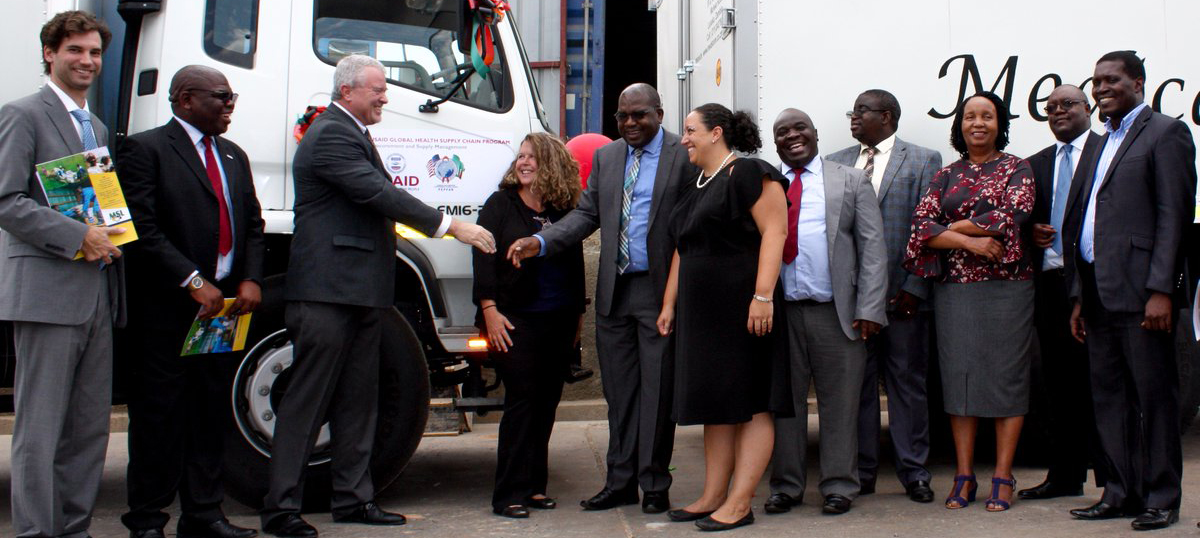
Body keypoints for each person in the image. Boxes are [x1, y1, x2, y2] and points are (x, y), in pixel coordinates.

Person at [260, 54, 496, 537]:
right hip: (327, 295)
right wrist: (453, 227)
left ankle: (353, 499)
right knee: (308, 401)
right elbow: (376, 193)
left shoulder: (352, 133)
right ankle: (281, 508)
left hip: (363, 293)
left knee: (357, 402)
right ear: (347, 92)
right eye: (377, 89)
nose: (386, 96)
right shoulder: (330, 135)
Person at [507, 83, 692, 514]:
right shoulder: (608, 157)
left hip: (659, 292)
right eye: (622, 116)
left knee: (657, 394)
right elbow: (586, 214)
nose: (630, 123)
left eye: (639, 115)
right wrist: (542, 241)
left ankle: (655, 483)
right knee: (620, 395)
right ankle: (620, 482)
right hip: (615, 293)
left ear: (659, 114)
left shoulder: (681, 155)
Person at [116, 65, 265, 538]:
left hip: (221, 313)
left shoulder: (234, 156)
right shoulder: (146, 149)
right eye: (220, 96)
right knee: (159, 417)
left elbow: (254, 225)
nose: (229, 104)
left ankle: (204, 515)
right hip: (166, 310)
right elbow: (139, 227)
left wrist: (251, 279)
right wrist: (191, 279)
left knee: (209, 414)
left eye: (232, 96)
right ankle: (147, 521)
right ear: (184, 99)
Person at [0, 11, 127, 538]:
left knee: (87, 429)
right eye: (75, 50)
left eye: (95, 52)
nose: (88, 61)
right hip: (47, 292)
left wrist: (112, 233)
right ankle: (35, 531)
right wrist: (79, 237)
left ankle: (74, 528)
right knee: (40, 428)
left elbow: (98, 205)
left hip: (96, 292)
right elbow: (6, 201)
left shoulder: (94, 126)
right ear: (50, 54)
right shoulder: (22, 114)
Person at [1064, 51, 1196, 531]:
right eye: (1097, 81)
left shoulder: (1166, 133)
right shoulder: (1099, 143)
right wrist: (1079, 294)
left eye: (1112, 80)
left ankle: (1162, 498)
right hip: (1098, 295)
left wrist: (1163, 289)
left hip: (1144, 296)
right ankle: (1120, 492)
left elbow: (1173, 217)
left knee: (1155, 402)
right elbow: (1080, 222)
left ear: (1138, 83)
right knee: (1110, 401)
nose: (1101, 88)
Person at [655, 103, 790, 532]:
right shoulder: (697, 182)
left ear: (716, 133)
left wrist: (763, 296)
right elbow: (684, 248)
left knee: (751, 404)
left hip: (744, 308)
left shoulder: (749, 173)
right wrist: (669, 304)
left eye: (691, 130)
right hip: (702, 314)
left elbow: (776, 231)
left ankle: (740, 501)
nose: (685, 139)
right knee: (717, 404)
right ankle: (714, 495)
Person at [903, 91, 1036, 513]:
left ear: (1000, 123)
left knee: (1006, 378)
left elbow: (1012, 217)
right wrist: (968, 241)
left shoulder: (1017, 168)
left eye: (987, 116)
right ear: (959, 126)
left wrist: (951, 227)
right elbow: (919, 230)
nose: (978, 123)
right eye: (969, 117)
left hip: (1008, 290)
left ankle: (1002, 475)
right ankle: (964, 475)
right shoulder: (945, 175)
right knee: (959, 378)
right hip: (955, 290)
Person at [766, 108, 889, 517]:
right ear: (775, 141)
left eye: (799, 128)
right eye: (782, 132)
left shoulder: (851, 179)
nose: (792, 136)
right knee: (785, 405)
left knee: (841, 403)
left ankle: (839, 485)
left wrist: (870, 307)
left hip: (837, 313)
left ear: (816, 133)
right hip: (781, 314)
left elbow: (873, 249)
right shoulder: (767, 184)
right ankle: (786, 486)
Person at [826, 89, 941, 503]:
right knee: (857, 388)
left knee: (907, 386)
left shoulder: (924, 160)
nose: (853, 118)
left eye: (861, 111)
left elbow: (929, 229)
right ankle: (864, 472)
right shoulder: (836, 162)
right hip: (851, 302)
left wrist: (915, 286)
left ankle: (915, 473)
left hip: (904, 298)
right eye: (852, 110)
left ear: (887, 115)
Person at [473, 133, 586, 519]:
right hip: (513, 319)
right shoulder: (500, 204)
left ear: (550, 163)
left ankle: (535, 487)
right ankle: (508, 494)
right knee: (523, 401)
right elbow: (484, 259)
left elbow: (574, 265)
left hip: (558, 319)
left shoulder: (563, 208)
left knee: (547, 404)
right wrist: (488, 309)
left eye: (532, 157)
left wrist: (578, 317)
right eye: (520, 156)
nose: (523, 162)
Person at [1018, 84, 1106, 502]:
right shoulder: (1036, 164)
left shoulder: (1108, 153)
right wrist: (1030, 231)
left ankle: (1114, 479)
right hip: (1050, 287)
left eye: (1067, 104)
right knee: (1060, 387)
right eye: (1050, 108)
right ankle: (1065, 476)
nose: (1058, 112)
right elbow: (1023, 219)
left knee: (1104, 384)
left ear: (1088, 108)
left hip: (1094, 285)